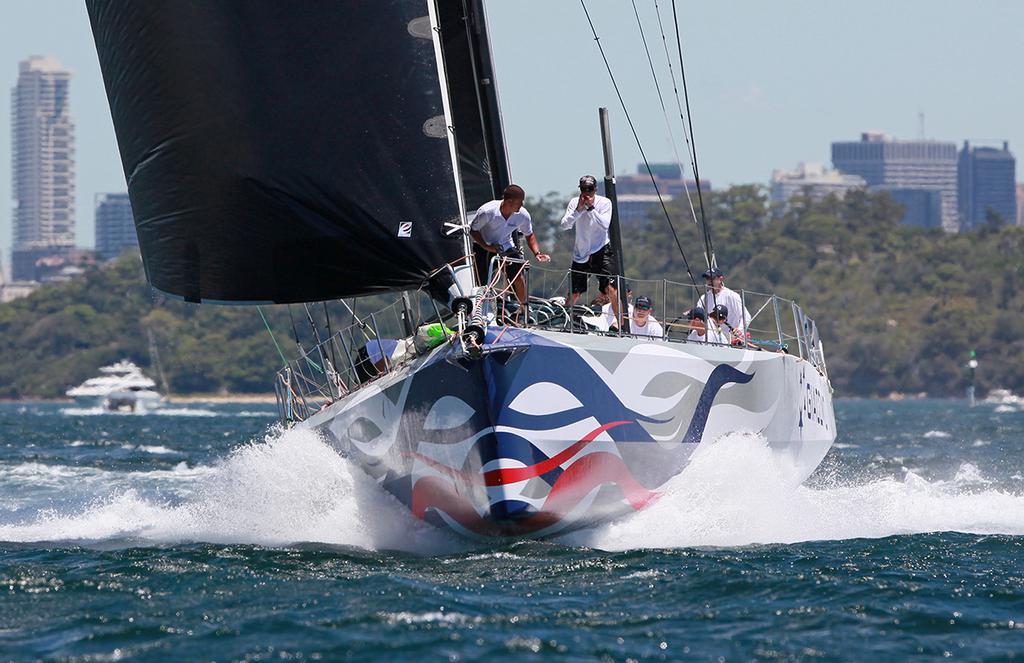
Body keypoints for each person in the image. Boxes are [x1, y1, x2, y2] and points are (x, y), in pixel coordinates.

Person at [470, 184, 551, 304]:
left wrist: (537, 253)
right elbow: (473, 230)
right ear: (509, 201)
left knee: (518, 276)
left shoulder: (523, 215)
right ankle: (484, 308)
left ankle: (524, 308)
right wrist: (486, 246)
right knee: (483, 283)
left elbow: (529, 235)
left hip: (506, 246)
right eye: (519, 202)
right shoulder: (487, 211)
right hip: (484, 247)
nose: (522, 205)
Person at [561, 175, 620, 326]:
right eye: (584, 189)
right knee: (575, 292)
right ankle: (564, 320)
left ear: (596, 189)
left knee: (611, 288)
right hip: (581, 252)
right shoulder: (575, 202)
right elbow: (565, 224)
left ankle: (621, 324)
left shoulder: (605, 202)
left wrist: (591, 208)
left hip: (601, 249)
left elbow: (604, 224)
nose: (587, 192)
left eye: (590, 189)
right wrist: (579, 210)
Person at [697, 267, 751, 335]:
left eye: (712, 278)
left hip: (730, 338)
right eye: (707, 278)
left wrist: (739, 330)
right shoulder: (703, 298)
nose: (709, 281)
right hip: (711, 339)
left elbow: (746, 316)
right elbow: (698, 318)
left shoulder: (731, 295)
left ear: (721, 279)